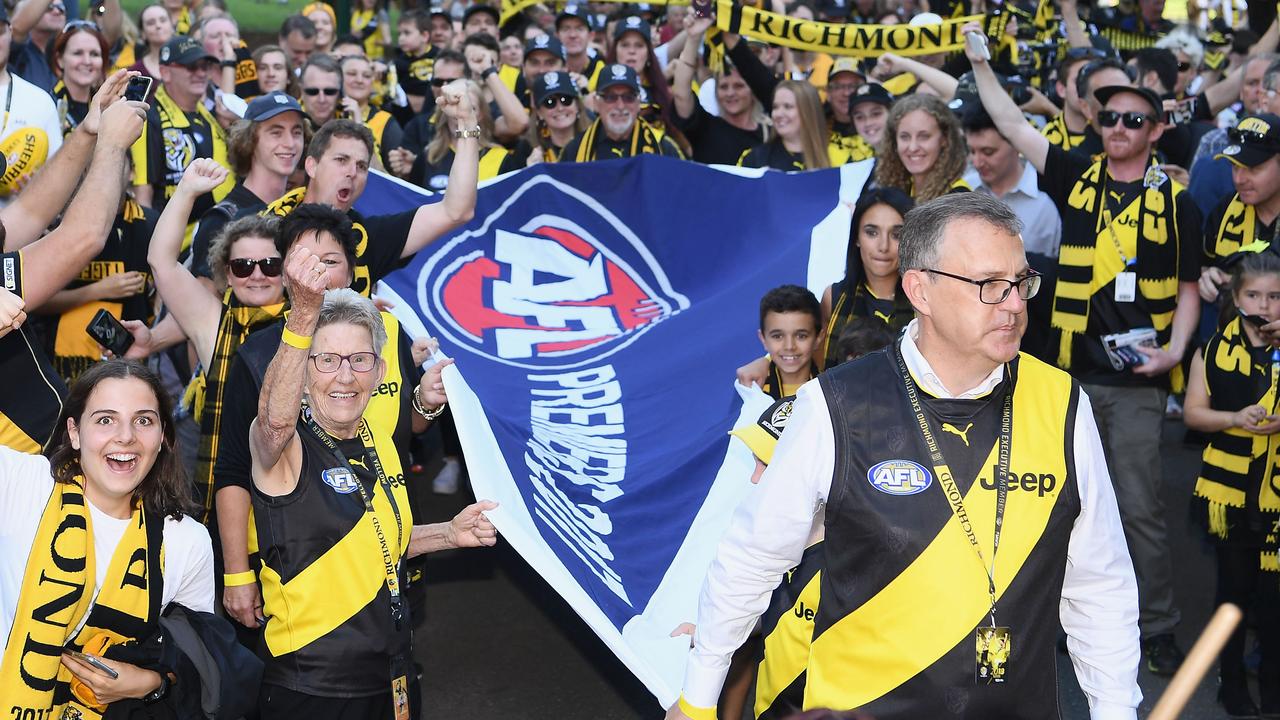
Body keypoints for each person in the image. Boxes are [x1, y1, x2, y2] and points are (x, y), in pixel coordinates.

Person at [666, 192, 1141, 720]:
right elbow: (753, 559)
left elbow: (1100, 584)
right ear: (920, 289)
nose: (1013, 303)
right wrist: (698, 699)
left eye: (1021, 283)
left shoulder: (1063, 402)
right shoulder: (835, 403)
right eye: (989, 285)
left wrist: (1116, 710)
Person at [969, 22, 1201, 676]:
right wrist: (979, 60)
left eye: (1134, 119)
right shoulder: (1074, 175)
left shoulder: (1177, 204)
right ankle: (1070, 622)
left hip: (1137, 385)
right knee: (1060, 506)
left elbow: (1188, 291)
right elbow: (1014, 128)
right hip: (1067, 377)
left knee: (1139, 512)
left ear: (1156, 130)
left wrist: (1173, 356)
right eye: (1109, 118)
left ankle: (1155, 627)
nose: (1119, 127)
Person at [248, 269, 496, 718]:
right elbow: (273, 423)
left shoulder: (378, 439)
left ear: (379, 371)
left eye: (360, 359)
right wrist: (303, 316)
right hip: (313, 687)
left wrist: (448, 533)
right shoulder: (287, 445)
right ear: (303, 373)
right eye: (326, 360)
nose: (344, 376)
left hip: (392, 674)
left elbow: (377, 540)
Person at [0, 360, 213, 718]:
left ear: (162, 436)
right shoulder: (21, 484)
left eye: (143, 420)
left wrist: (148, 683)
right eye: (105, 419)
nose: (125, 436)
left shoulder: (188, 542)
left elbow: (198, 664)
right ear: (74, 432)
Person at [0, 72, 147, 452]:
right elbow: (82, 239)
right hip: (23, 470)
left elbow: (30, 213)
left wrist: (88, 131)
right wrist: (112, 147)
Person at [263, 81, 478, 299]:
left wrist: (466, 123)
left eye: (362, 166)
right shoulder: (265, 225)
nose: (352, 172)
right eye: (341, 160)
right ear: (312, 165)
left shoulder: (370, 237)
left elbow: (457, 210)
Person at [1183, 250, 1280, 718]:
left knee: (1274, 596)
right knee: (1234, 591)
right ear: (1237, 298)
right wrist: (1235, 417)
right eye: (1254, 295)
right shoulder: (1212, 347)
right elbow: (1193, 413)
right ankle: (1232, 680)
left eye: (1275, 296)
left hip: (1277, 492)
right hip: (1228, 490)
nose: (1264, 305)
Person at [962, 106, 1063, 360]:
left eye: (988, 152)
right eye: (972, 151)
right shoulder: (963, 191)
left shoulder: (1045, 203)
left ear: (1017, 146)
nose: (977, 162)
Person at [130, 35, 233, 216]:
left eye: (205, 67)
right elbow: (143, 197)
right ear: (165, 72)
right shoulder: (149, 120)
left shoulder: (209, 115)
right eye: (192, 67)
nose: (201, 74)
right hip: (178, 238)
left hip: (217, 227)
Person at [821, 188, 915, 368]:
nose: (883, 246)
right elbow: (810, 362)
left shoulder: (927, 301)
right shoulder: (833, 297)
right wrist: (765, 362)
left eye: (897, 235)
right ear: (856, 237)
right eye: (872, 232)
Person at [1201, 114, 1280, 302]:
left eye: (1253, 169)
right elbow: (1204, 264)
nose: (1239, 179)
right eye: (1234, 166)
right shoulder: (1225, 209)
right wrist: (1207, 276)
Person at [671, 15, 767, 166]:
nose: (730, 93)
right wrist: (693, 38)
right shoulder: (705, 128)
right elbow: (681, 94)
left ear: (753, 90)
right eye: (723, 87)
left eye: (738, 86)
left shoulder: (771, 133)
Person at [0, 2, 63, 200]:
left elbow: (57, 180)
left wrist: (38, 186)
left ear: (10, 31)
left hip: (20, 223)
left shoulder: (39, 101)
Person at [560, 63, 683, 161]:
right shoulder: (574, 150)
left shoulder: (663, 147)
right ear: (596, 103)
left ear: (638, 103)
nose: (620, 106)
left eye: (628, 97)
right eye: (610, 97)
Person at [873, 94, 968, 201]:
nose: (913, 147)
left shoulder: (959, 197)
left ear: (945, 139)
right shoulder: (899, 189)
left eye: (924, 136)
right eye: (905, 137)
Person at [738, 80, 833, 171]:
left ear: (808, 112)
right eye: (775, 107)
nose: (778, 114)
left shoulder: (837, 157)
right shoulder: (754, 159)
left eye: (787, 106)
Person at [753, 285, 823, 400]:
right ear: (763, 339)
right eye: (778, 336)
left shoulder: (834, 389)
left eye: (801, 336)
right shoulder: (752, 391)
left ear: (818, 338)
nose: (789, 346)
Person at [341, 54, 403, 170]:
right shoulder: (327, 112)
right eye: (352, 74)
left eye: (366, 76)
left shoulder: (385, 121)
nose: (359, 80)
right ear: (338, 77)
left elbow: (392, 180)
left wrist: (360, 127)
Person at [516, 70, 590, 165]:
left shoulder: (594, 140)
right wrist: (530, 172)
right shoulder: (526, 149)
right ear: (539, 113)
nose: (560, 108)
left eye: (566, 100)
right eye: (550, 103)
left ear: (577, 106)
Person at [51, 22, 111, 135]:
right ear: (60, 60)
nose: (87, 61)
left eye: (94, 54)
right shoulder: (47, 104)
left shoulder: (108, 107)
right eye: (78, 53)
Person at [393, 9, 439, 117]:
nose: (401, 38)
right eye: (399, 34)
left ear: (424, 36)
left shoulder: (440, 57)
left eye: (407, 33)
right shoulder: (398, 63)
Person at [127, 4, 173, 97]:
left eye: (163, 20)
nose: (158, 25)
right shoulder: (135, 72)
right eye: (151, 23)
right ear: (143, 33)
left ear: (172, 26)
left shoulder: (189, 64)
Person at [299, 54, 343, 130]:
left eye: (329, 91)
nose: (321, 99)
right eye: (313, 91)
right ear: (301, 91)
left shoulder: (353, 120)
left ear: (340, 92)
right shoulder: (286, 118)